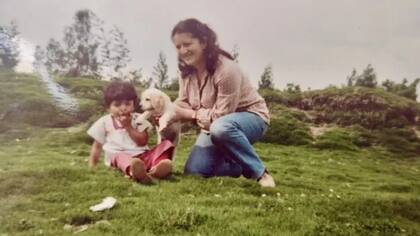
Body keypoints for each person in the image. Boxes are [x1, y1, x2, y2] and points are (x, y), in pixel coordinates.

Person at [168, 18, 275, 187]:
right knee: (194, 171)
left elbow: (222, 116)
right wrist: (164, 112)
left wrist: (190, 114)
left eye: (187, 44)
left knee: (221, 128)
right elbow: (183, 103)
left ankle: (261, 174)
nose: (183, 50)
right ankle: (238, 165)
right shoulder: (185, 74)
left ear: (203, 42)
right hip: (213, 125)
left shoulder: (227, 69)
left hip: (251, 118)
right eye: (178, 47)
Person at [87, 81, 174, 184]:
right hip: (119, 158)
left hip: (142, 156)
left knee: (166, 145)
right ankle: (134, 171)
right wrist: (92, 165)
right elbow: (97, 146)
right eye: (117, 104)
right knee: (120, 156)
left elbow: (143, 142)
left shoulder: (139, 119)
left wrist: (128, 127)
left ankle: (156, 170)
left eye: (128, 104)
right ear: (108, 107)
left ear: (133, 104)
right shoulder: (105, 121)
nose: (123, 108)